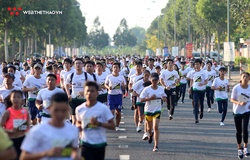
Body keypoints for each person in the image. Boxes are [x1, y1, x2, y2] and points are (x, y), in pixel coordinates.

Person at [20, 92, 80, 160]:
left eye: (63, 111)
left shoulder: (73, 130)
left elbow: (74, 151)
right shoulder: (38, 130)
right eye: (56, 110)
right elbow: (24, 157)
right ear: (49, 108)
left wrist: (76, 156)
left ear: (68, 110)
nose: (59, 114)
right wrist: (47, 153)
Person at [76, 81, 115, 160]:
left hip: (99, 144)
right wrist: (79, 127)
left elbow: (112, 125)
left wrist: (99, 124)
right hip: (86, 143)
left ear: (97, 93)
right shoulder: (79, 109)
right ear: (84, 93)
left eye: (92, 91)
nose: (89, 93)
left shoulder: (103, 108)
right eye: (87, 91)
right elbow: (78, 123)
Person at [140, 73, 167, 152]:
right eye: (153, 80)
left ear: (158, 80)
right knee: (149, 128)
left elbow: (165, 97)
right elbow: (141, 99)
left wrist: (164, 98)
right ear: (150, 80)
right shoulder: (147, 89)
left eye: (156, 80)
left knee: (155, 127)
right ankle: (150, 135)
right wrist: (150, 98)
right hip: (148, 110)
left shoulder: (161, 88)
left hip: (157, 110)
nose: (154, 81)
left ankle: (156, 146)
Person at [1, 90, 29, 159]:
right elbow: (0, 127)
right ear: (10, 99)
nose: (16, 99)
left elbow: (28, 126)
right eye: (14, 97)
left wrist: (25, 128)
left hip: (22, 139)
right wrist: (10, 131)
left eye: (18, 97)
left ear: (22, 100)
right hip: (10, 140)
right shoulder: (8, 112)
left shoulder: (25, 112)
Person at [65, 58, 93, 125]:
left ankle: (82, 134)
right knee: (74, 120)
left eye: (80, 63)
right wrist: (68, 94)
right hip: (73, 99)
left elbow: (92, 86)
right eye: (76, 63)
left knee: (83, 119)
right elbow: (66, 85)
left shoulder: (87, 76)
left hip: (83, 100)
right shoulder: (71, 76)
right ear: (74, 65)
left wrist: (85, 92)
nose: (78, 65)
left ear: (83, 65)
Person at [230, 72, 250, 159]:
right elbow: (231, 99)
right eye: (244, 76)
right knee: (239, 131)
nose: (245, 78)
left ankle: (245, 147)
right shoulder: (236, 88)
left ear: (249, 79)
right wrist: (239, 103)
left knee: (245, 129)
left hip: (246, 111)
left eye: (247, 77)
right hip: (237, 111)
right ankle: (239, 148)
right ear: (241, 78)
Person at [105, 62, 126, 131]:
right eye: (114, 67)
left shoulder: (121, 77)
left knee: (118, 112)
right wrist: (108, 87)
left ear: (119, 69)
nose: (115, 69)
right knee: (112, 111)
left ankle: (117, 125)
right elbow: (105, 84)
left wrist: (123, 86)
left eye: (117, 67)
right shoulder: (109, 76)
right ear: (112, 68)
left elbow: (125, 86)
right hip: (111, 95)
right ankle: (111, 123)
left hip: (118, 96)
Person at [132, 70, 151, 139]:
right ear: (143, 75)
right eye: (145, 75)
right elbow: (133, 90)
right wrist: (138, 95)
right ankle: (140, 124)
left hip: (147, 101)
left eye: (148, 76)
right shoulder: (139, 83)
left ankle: (147, 130)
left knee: (147, 115)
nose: (146, 77)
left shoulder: (150, 83)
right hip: (140, 101)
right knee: (141, 116)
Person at [188, 59, 208, 123]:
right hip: (195, 89)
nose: (196, 65)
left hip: (202, 90)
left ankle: (201, 112)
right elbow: (191, 80)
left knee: (201, 103)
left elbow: (206, 81)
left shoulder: (204, 72)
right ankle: (196, 118)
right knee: (196, 103)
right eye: (195, 64)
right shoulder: (192, 72)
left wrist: (202, 84)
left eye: (198, 64)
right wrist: (190, 87)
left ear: (201, 64)